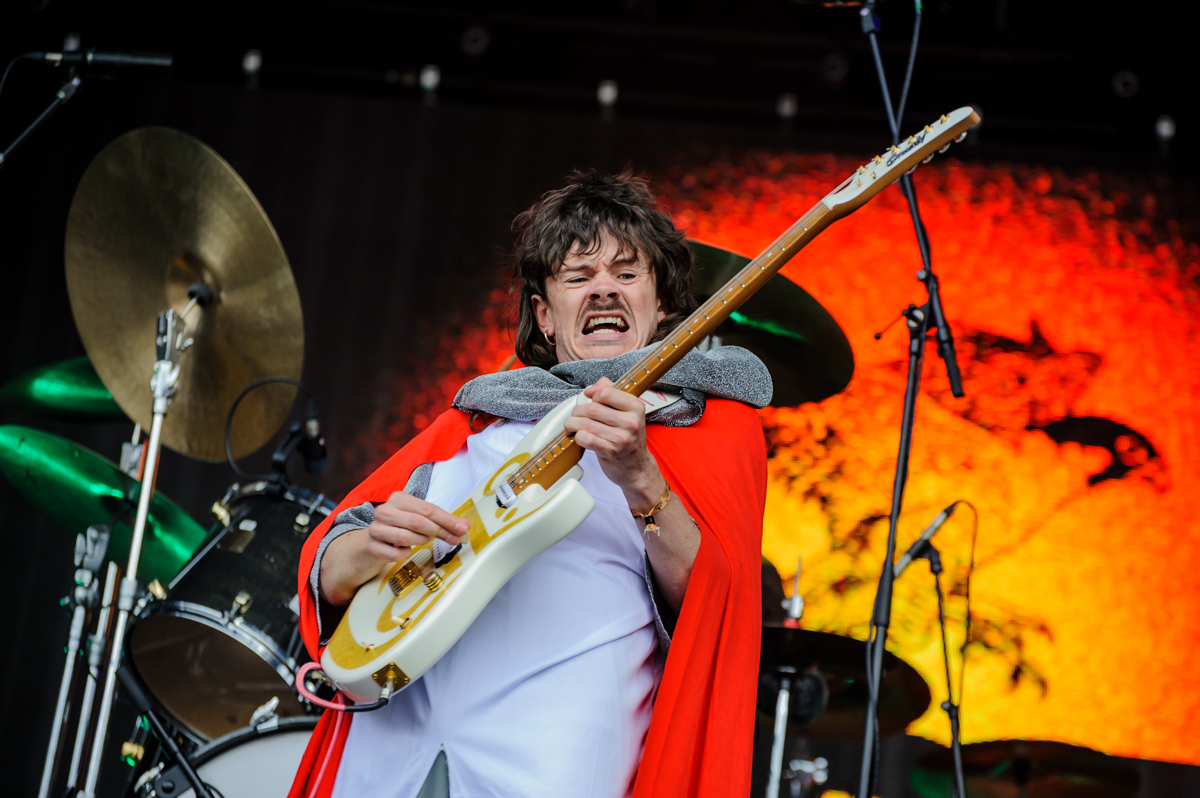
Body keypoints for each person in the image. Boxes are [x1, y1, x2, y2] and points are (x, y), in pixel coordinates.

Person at [289, 171, 771, 798]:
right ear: (545, 315)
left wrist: (641, 480)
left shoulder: (710, 425)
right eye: (578, 276)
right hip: (395, 746)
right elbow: (328, 573)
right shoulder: (474, 420)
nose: (604, 288)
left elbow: (717, 607)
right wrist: (365, 549)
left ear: (661, 308)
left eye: (627, 273)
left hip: (559, 755)